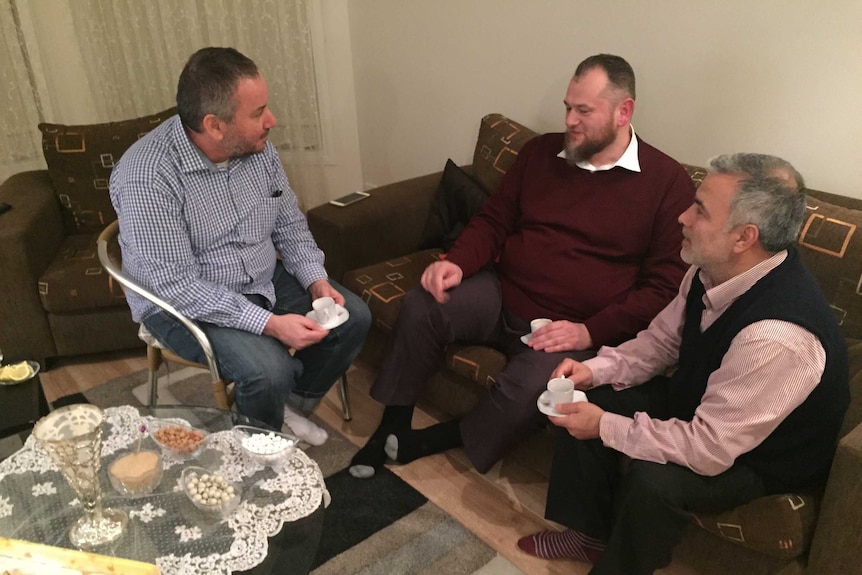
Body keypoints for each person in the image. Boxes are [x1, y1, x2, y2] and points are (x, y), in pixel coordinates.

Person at [349, 54, 696, 479]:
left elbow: (663, 289)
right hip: (501, 291)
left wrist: (590, 331)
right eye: (568, 107)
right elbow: (494, 220)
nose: (570, 120)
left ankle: (445, 436)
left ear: (624, 111)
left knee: (538, 386)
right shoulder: (540, 153)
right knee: (424, 305)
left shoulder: (667, 183)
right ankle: (393, 423)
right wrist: (457, 262)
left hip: (572, 326)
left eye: (583, 111)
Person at [517, 154, 850, 574]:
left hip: (759, 456)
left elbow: (710, 448)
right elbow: (660, 344)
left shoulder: (777, 338)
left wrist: (603, 425)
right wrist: (596, 370)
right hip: (706, 406)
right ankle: (587, 535)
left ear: (744, 237)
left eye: (699, 210)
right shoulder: (708, 269)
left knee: (653, 479)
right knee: (585, 398)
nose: (682, 217)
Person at [110, 47, 371, 444]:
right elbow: (178, 287)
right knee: (268, 370)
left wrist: (316, 280)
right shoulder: (147, 177)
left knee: (351, 316)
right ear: (215, 125)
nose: (272, 120)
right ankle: (256, 452)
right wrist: (269, 325)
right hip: (182, 302)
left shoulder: (256, 148)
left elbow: (288, 222)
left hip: (260, 275)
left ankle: (285, 407)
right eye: (258, 113)